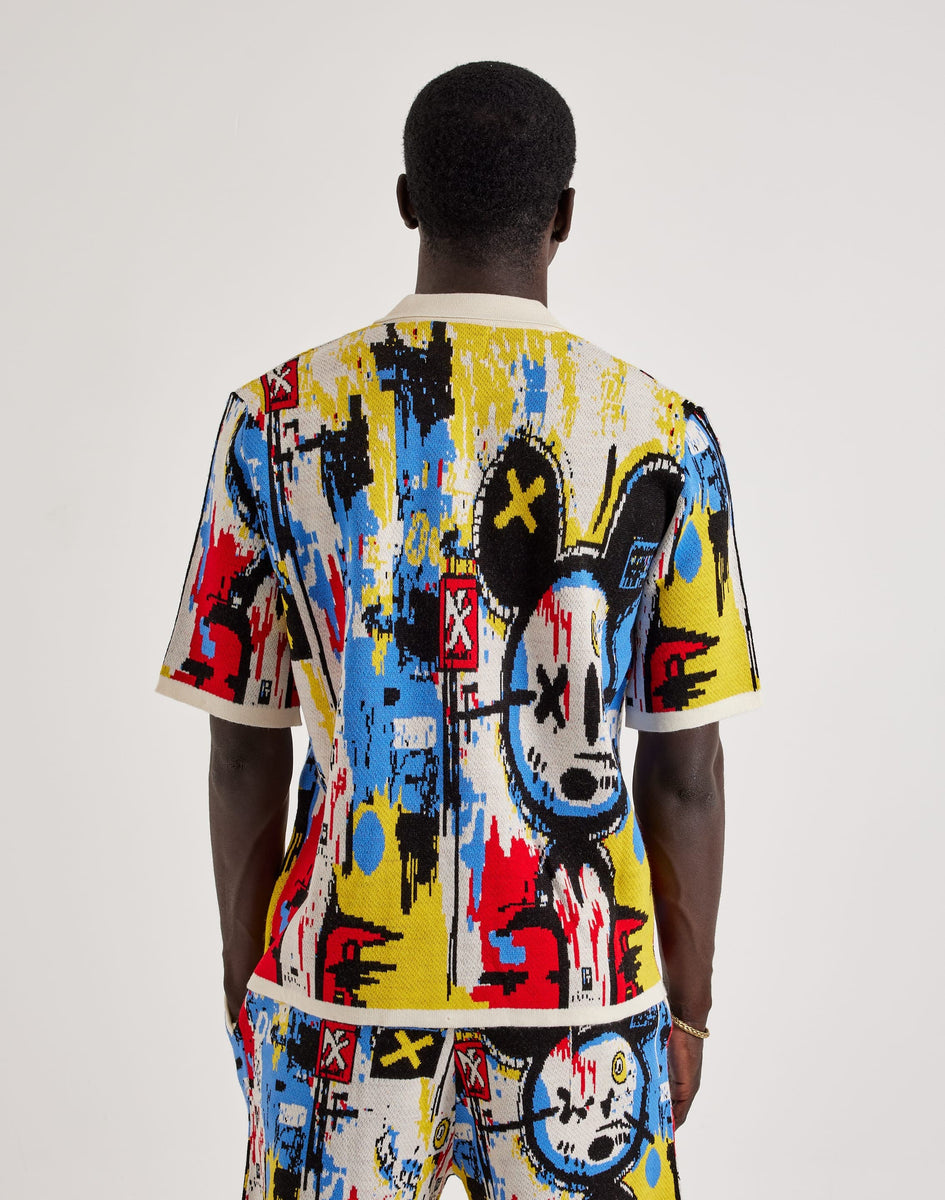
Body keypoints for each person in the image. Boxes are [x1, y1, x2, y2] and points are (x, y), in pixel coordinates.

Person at [158, 60, 760, 1200]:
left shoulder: (274, 420)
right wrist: (685, 1010)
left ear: (406, 200)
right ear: (564, 214)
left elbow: (242, 745)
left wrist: (253, 990)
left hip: (337, 996)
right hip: (585, 1010)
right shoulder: (665, 435)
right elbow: (688, 770)